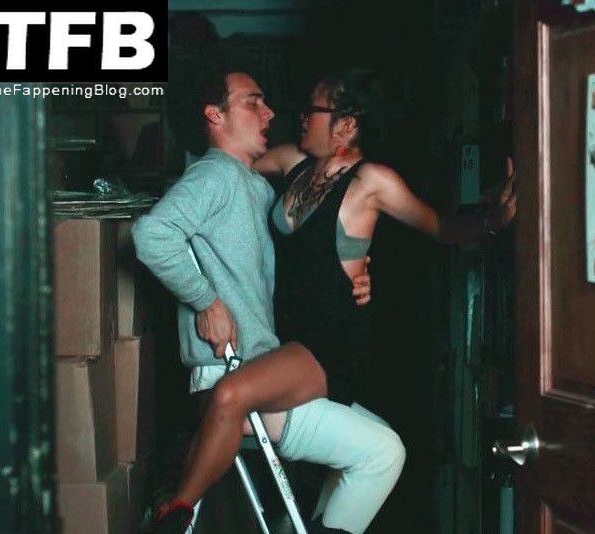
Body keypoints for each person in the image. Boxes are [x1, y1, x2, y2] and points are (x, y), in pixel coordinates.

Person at [133, 62, 405, 534]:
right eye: (252, 102)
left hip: (266, 371)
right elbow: (152, 234)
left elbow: (303, 266)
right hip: (236, 376)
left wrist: (355, 271)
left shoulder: (257, 189)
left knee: (380, 442)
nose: (270, 113)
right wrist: (205, 301)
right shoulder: (214, 176)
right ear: (215, 115)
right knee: (383, 453)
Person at [254, 69, 516, 409]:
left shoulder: (372, 180)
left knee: (241, 403)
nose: (302, 119)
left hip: (327, 345)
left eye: (311, 111)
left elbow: (441, 228)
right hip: (276, 332)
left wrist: (494, 221)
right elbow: (233, 165)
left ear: (346, 124)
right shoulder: (293, 161)